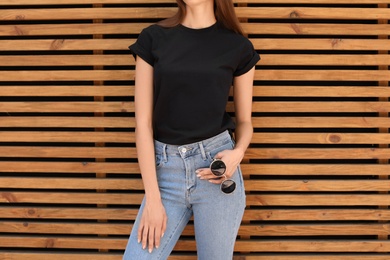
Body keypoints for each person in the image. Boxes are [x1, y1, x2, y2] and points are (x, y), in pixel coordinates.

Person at [123, 0, 260, 259]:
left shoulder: (238, 46)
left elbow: (244, 122)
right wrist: (152, 198)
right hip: (165, 175)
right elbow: (142, 124)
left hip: (216, 171)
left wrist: (237, 153)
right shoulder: (153, 39)